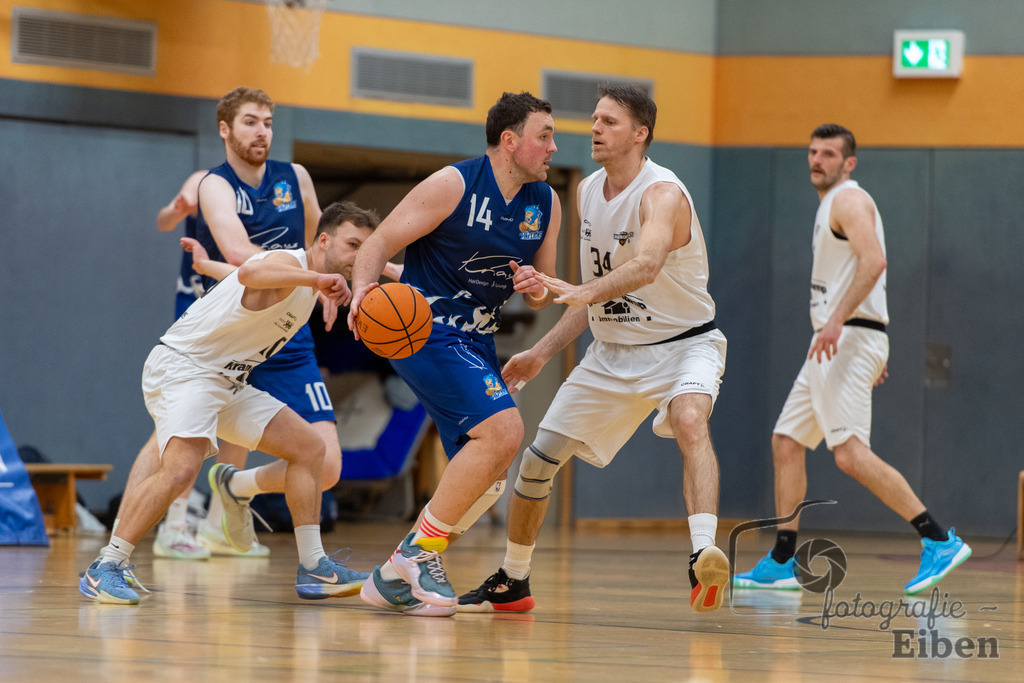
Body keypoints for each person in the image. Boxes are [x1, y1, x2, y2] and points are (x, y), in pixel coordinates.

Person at [457, 85, 731, 615]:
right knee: (537, 465)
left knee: (691, 419)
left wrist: (583, 290)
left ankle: (703, 556)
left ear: (640, 133)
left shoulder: (663, 195)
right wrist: (540, 352)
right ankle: (513, 579)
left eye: (608, 121)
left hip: (684, 345)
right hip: (610, 354)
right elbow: (592, 296)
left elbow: (645, 265)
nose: (595, 129)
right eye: (595, 120)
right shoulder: (585, 191)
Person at [79, 202, 379, 605]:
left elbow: (239, 280)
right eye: (352, 244)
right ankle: (106, 566)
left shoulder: (303, 284)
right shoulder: (289, 262)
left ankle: (315, 567)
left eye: (366, 248)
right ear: (323, 240)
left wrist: (206, 269)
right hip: (184, 369)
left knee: (310, 448)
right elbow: (253, 270)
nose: (358, 256)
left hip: (224, 380)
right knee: (181, 471)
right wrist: (317, 278)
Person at [347, 91, 561, 617]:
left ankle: (393, 575)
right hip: (425, 328)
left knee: (487, 481)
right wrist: (361, 292)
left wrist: (535, 285)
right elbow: (377, 244)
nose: (554, 146)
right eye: (545, 135)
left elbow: (543, 289)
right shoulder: (454, 184)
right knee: (506, 431)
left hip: (479, 339)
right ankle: (421, 555)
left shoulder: (546, 201)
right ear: (510, 141)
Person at [732, 124, 971, 595]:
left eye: (828, 154)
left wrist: (844, 323)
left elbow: (874, 261)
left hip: (844, 336)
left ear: (849, 163)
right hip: (837, 339)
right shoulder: (830, 205)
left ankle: (938, 538)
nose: (816, 160)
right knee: (787, 442)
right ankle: (783, 558)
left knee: (849, 455)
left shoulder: (849, 200)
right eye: (812, 152)